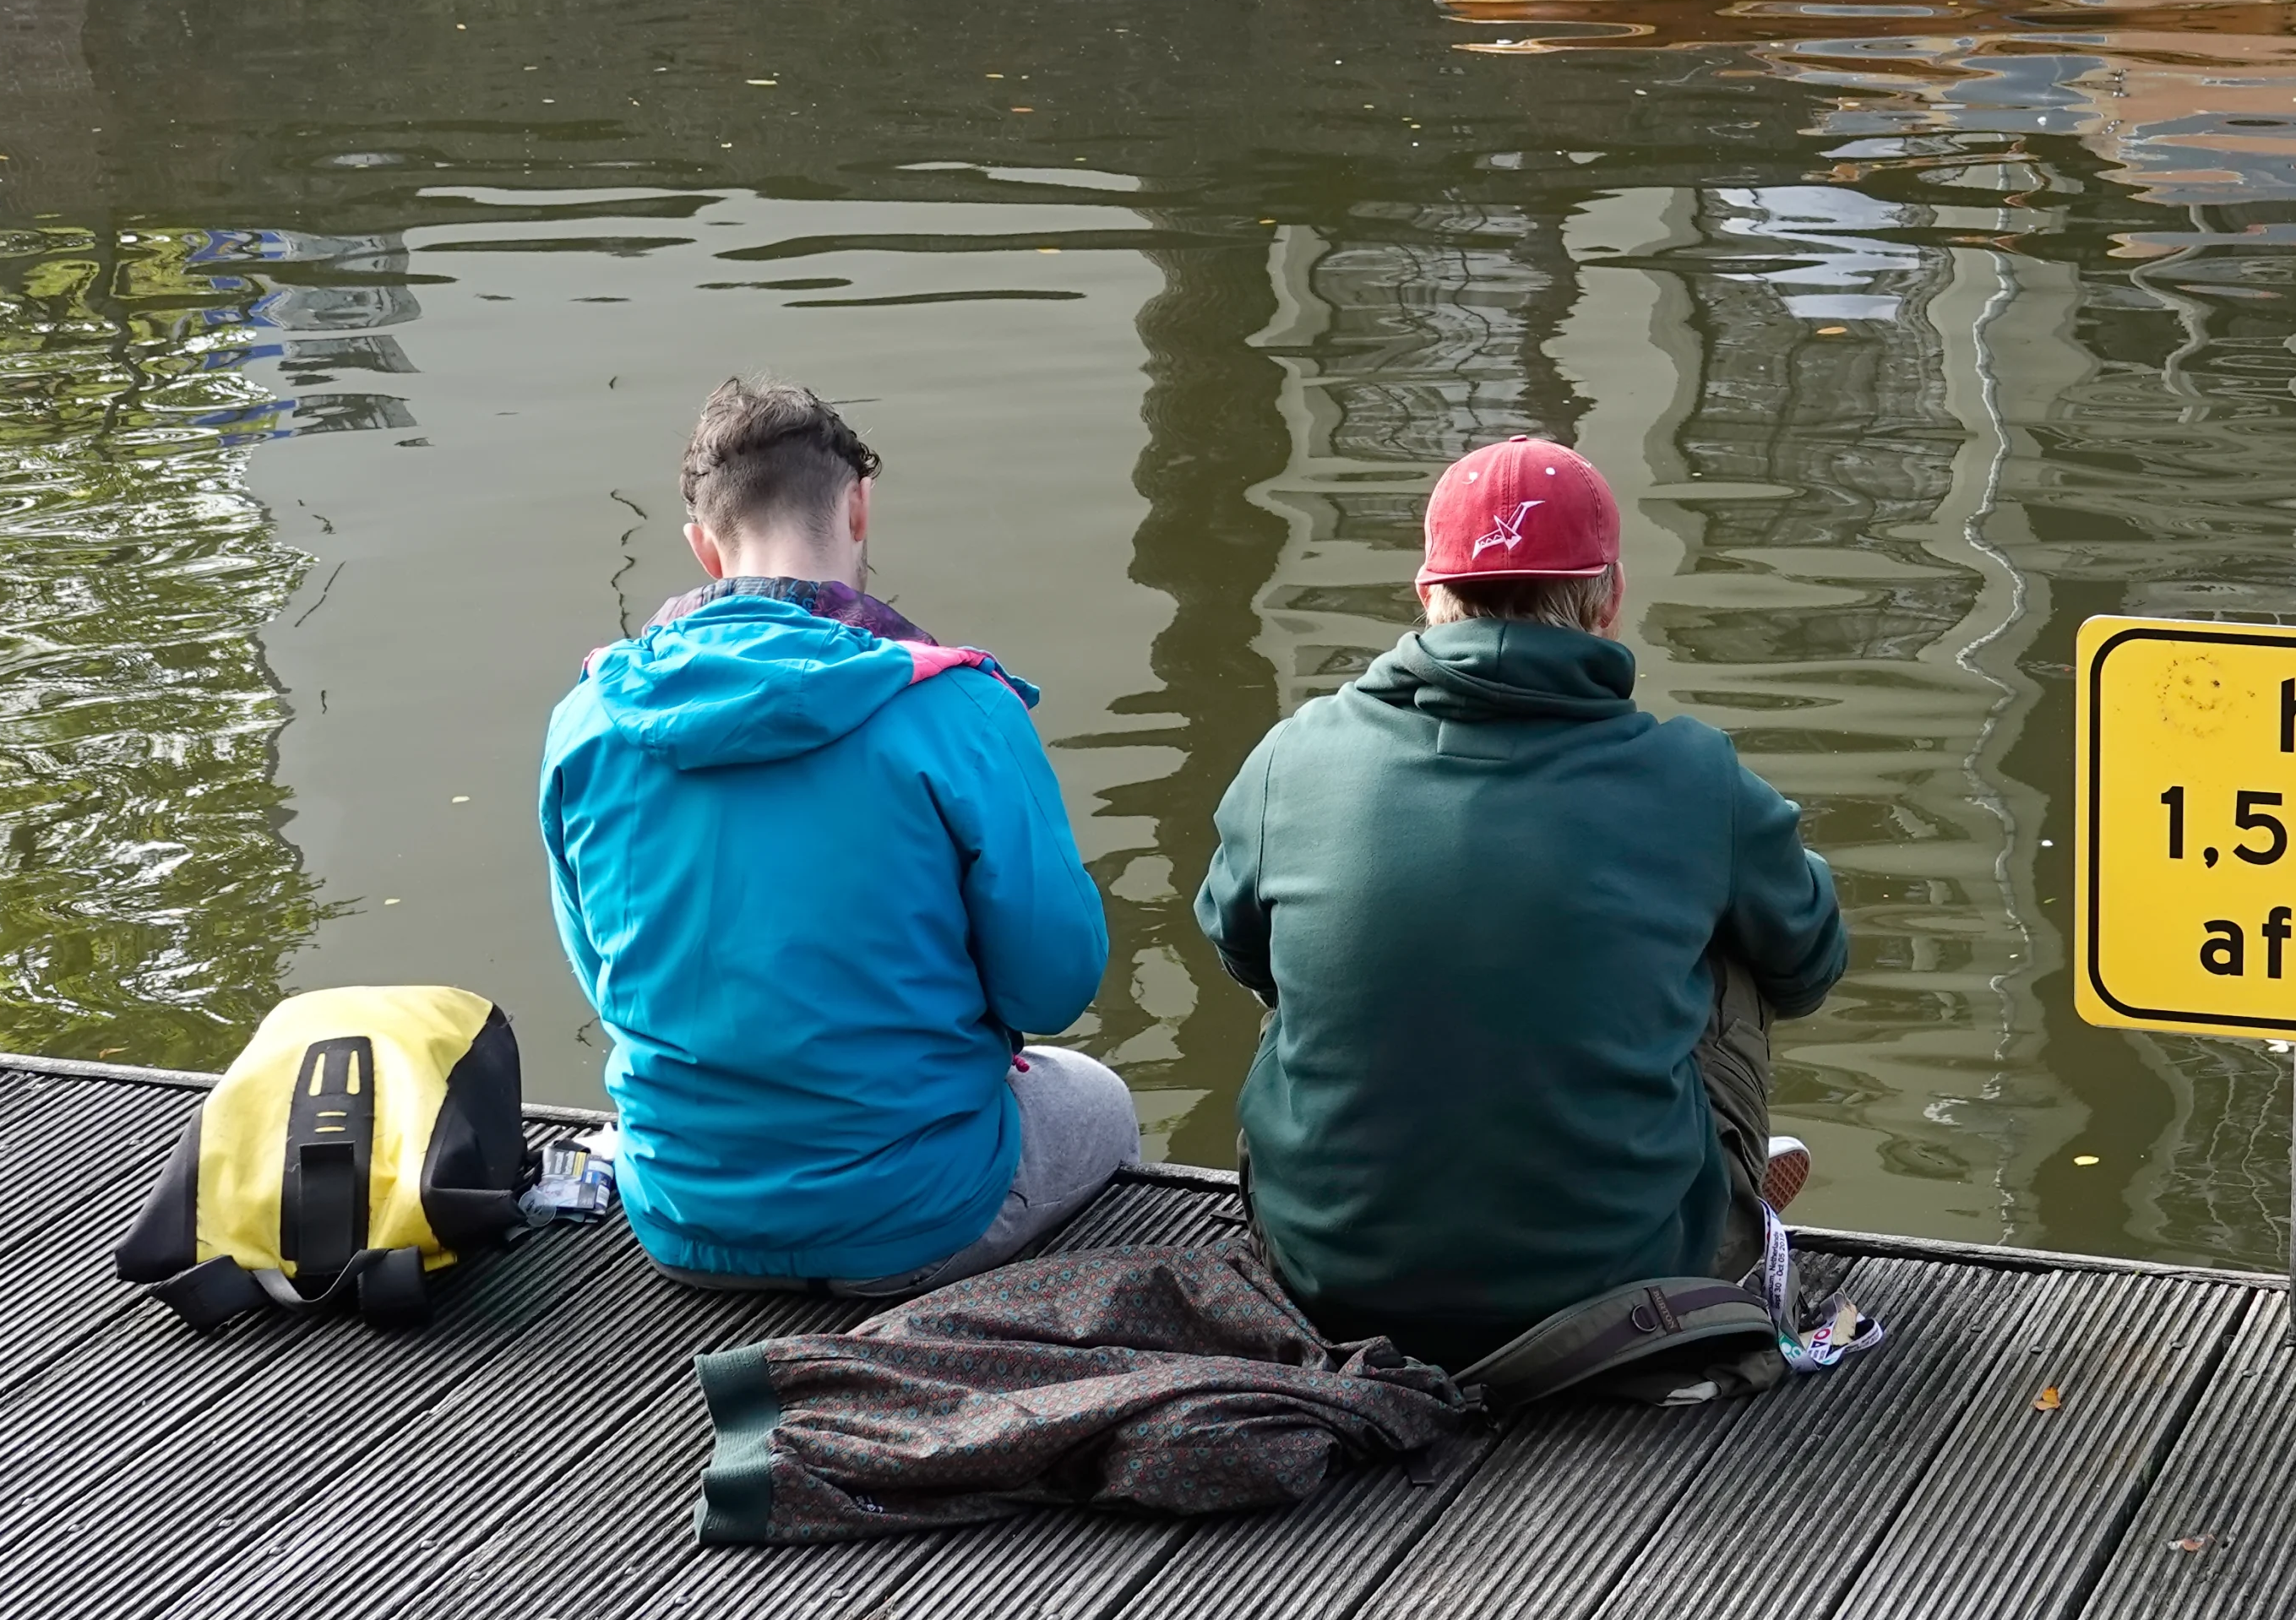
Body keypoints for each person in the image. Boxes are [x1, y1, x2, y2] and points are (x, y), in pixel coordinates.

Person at [1195, 434, 1847, 1371]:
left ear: (1427, 594)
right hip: (1619, 1286)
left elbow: (1241, 955)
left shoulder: (1291, 758)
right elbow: (1811, 959)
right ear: (1609, 596)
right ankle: (1720, 1197)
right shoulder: (1692, 773)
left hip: (1326, 1280)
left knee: (1308, 965)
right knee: (1737, 944)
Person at [540, 377, 1134, 1296]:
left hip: (682, 1214)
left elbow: (606, 974)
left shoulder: (586, 722)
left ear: (703, 548)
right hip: (916, 1216)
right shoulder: (959, 709)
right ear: (858, 508)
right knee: (1099, 1097)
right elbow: (1055, 985)